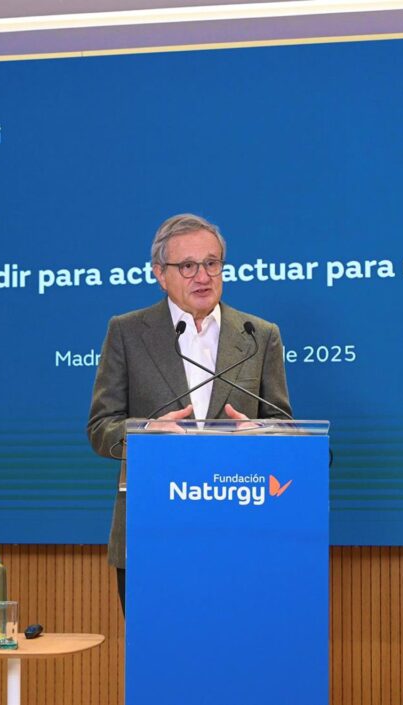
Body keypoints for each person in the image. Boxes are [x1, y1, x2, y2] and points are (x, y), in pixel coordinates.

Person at [87, 213, 292, 614]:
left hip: (241, 527)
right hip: (152, 530)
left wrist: (263, 434)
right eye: (187, 266)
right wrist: (143, 432)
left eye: (212, 263)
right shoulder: (127, 332)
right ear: (160, 274)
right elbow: (100, 428)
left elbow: (283, 423)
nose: (203, 276)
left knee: (238, 644)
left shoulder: (258, 335)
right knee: (158, 650)